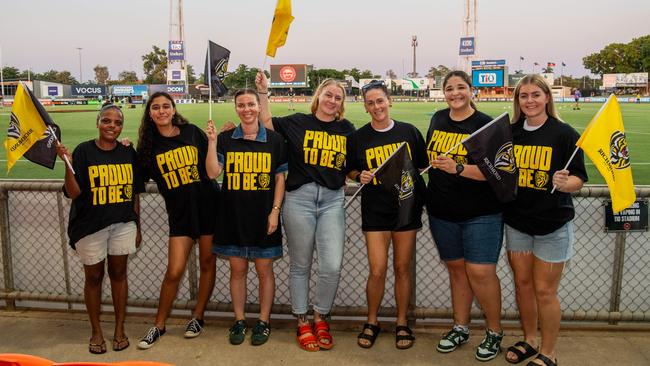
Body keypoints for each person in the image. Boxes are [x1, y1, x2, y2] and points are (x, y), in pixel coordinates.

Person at [255, 70, 355, 351]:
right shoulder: (298, 122)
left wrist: (363, 174)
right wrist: (263, 92)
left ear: (341, 103)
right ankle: (302, 320)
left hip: (333, 200)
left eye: (338, 97)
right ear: (318, 96)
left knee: (332, 264)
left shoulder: (347, 129)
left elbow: (353, 165)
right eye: (328, 95)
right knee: (301, 265)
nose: (332, 100)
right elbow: (265, 123)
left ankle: (321, 315)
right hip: (300, 198)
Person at [504, 75, 587, 366]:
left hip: (552, 224)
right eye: (523, 96)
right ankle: (530, 339)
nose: (529, 100)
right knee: (523, 285)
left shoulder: (564, 133)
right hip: (517, 223)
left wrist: (567, 183)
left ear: (547, 97)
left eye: (535, 94)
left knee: (544, 291)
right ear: (517, 101)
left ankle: (549, 353)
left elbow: (579, 178)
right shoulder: (510, 132)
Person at [426, 70, 505, 361]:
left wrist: (457, 168)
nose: (455, 93)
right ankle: (460, 327)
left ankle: (494, 331)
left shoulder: (486, 125)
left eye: (461, 87)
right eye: (449, 88)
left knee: (481, 273)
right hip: (442, 211)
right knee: (457, 271)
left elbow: (498, 174)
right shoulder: (437, 119)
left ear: (472, 90)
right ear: (443, 92)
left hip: (480, 212)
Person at [56, 104, 144, 354]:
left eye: (117, 123)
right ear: (98, 123)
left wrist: (137, 225)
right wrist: (67, 164)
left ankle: (119, 328)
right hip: (90, 225)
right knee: (93, 277)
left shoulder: (128, 152)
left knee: (119, 274)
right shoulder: (84, 151)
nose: (112, 126)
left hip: (123, 223)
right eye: (107, 121)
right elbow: (73, 193)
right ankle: (96, 331)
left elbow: (134, 192)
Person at [347, 80, 427, 350]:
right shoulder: (359, 136)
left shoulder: (410, 132)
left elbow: (423, 168)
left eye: (380, 100)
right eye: (370, 102)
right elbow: (351, 170)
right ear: (365, 106)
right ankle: (372, 321)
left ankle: (402, 322)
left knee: (402, 268)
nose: (376, 106)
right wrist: (360, 175)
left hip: (405, 211)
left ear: (389, 101)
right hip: (375, 211)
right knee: (377, 270)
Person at [135, 92, 219, 349]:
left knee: (207, 263)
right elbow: (136, 182)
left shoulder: (192, 132)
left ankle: (198, 316)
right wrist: (125, 149)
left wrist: (215, 141)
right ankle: (159, 324)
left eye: (166, 106)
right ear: (150, 113)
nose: (161, 111)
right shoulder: (148, 148)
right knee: (174, 271)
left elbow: (211, 170)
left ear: (173, 110)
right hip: (180, 215)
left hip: (208, 207)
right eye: (156, 107)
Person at [206, 89, 287, 346]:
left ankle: (263, 321)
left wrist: (275, 211)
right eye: (241, 105)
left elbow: (279, 178)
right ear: (235, 108)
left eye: (251, 104)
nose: (247, 109)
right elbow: (212, 173)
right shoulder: (227, 138)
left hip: (263, 216)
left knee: (265, 269)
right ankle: (239, 320)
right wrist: (212, 142)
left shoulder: (274, 140)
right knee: (237, 269)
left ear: (258, 106)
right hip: (233, 215)